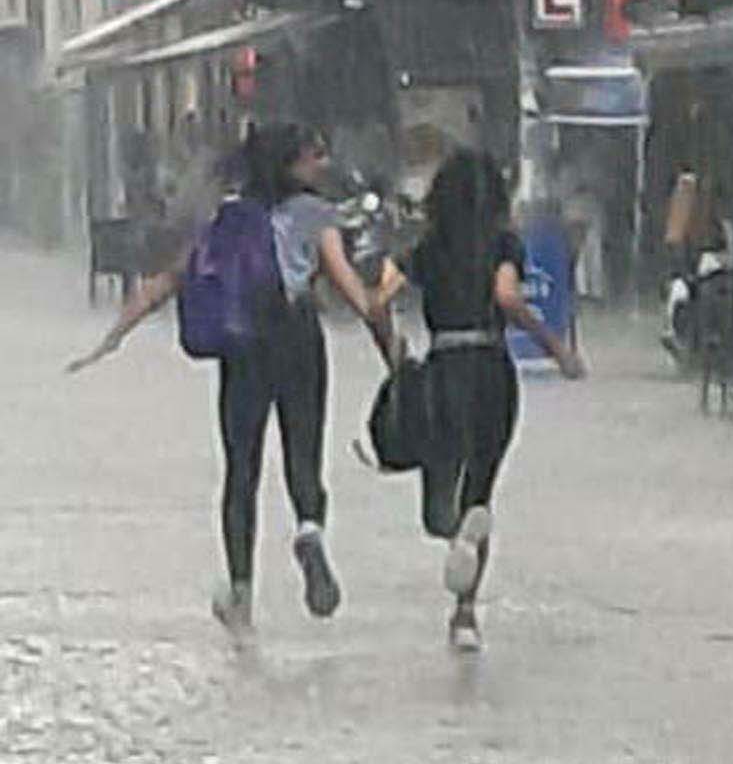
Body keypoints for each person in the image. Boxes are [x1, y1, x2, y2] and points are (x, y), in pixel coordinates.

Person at [72, 121, 399, 635]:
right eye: (314, 155)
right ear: (291, 164)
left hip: (243, 346)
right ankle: (309, 532)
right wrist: (389, 328)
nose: (322, 164)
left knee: (240, 469)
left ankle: (241, 593)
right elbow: (356, 298)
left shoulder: (227, 217)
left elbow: (169, 280)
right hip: (298, 340)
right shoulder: (317, 216)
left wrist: (113, 335)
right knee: (303, 454)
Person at [360, 152, 586, 652]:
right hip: (492, 368)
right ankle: (465, 615)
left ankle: (452, 530)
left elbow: (377, 303)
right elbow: (507, 298)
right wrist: (556, 348)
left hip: (444, 366)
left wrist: (393, 355)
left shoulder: (425, 247)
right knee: (480, 489)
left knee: (440, 491)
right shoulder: (504, 243)